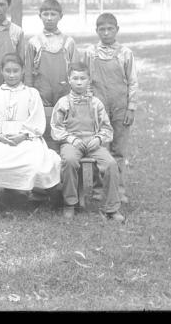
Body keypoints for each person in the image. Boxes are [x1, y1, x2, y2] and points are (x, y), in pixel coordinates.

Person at [0, 53, 61, 216]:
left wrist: (23, 135)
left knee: (37, 165)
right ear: (1, 71)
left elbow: (37, 120)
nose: (11, 75)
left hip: (27, 139)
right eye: (7, 71)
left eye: (15, 71)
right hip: (1, 139)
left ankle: (53, 198)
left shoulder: (31, 93)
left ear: (23, 71)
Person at [50, 62, 124, 222]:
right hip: (71, 142)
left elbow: (107, 128)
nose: (79, 82)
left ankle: (112, 208)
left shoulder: (96, 103)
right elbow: (56, 128)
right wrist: (71, 139)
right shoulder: (63, 103)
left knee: (110, 164)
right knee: (69, 161)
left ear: (89, 80)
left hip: (92, 142)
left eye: (82, 78)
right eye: (75, 78)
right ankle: (70, 203)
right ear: (69, 80)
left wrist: (98, 138)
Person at [82, 13, 138, 204]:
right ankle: (99, 188)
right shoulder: (90, 52)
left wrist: (131, 108)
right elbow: (86, 80)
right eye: (102, 29)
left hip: (120, 106)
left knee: (118, 150)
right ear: (96, 31)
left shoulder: (125, 53)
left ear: (117, 30)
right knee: (99, 148)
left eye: (110, 29)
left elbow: (132, 82)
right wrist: (89, 105)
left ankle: (118, 189)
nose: (106, 33)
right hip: (98, 107)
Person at [24, 0, 78, 152]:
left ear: (60, 16)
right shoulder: (34, 42)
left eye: (53, 14)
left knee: (65, 130)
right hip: (42, 96)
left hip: (64, 95)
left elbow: (76, 71)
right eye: (45, 14)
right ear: (39, 16)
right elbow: (28, 72)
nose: (49, 18)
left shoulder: (68, 42)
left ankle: (66, 167)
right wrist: (30, 96)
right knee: (44, 132)